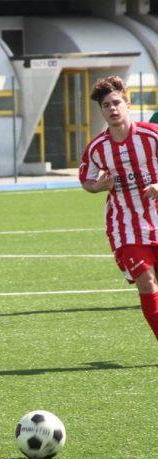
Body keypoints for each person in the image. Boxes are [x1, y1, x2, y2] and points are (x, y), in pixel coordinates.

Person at [80, 75, 158, 343]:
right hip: (124, 225)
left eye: (116, 103)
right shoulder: (97, 148)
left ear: (127, 104)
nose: (112, 109)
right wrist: (98, 186)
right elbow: (87, 180)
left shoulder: (151, 135)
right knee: (147, 282)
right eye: (106, 106)